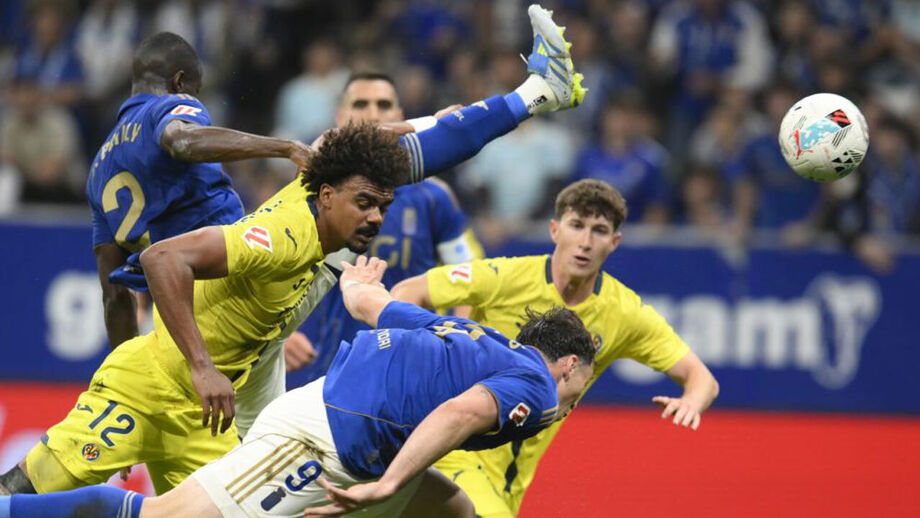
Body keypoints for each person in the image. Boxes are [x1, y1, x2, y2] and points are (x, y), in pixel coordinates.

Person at [0, 3, 588, 497]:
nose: (379, 215)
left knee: (236, 499)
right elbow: (180, 152)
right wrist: (280, 145)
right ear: (182, 83)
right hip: (214, 326)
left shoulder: (100, 168)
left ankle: (522, 97)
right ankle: (533, 94)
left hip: (232, 342)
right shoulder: (172, 115)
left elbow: (113, 294)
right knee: (35, 486)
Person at [0, 256, 597, 518]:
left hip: (354, 436)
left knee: (454, 510)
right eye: (580, 389)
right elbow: (462, 413)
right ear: (567, 365)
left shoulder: (473, 335)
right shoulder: (538, 387)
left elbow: (372, 304)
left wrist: (359, 285)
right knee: (166, 517)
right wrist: (386, 485)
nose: (572, 403)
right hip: (324, 443)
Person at [392, 179, 720, 517]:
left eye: (600, 230)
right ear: (554, 230)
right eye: (576, 225)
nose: (586, 241)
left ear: (615, 242)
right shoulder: (506, 277)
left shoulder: (624, 313)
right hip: (453, 447)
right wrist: (431, 349)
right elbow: (407, 292)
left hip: (507, 481)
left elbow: (702, 380)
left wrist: (691, 401)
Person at [293, 71, 481, 381]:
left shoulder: (434, 197)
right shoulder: (317, 192)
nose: (372, 114)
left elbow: (471, 278)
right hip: (335, 370)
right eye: (361, 104)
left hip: (415, 372)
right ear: (340, 117)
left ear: (399, 117)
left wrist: (460, 344)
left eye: (383, 105)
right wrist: (283, 337)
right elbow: (282, 270)